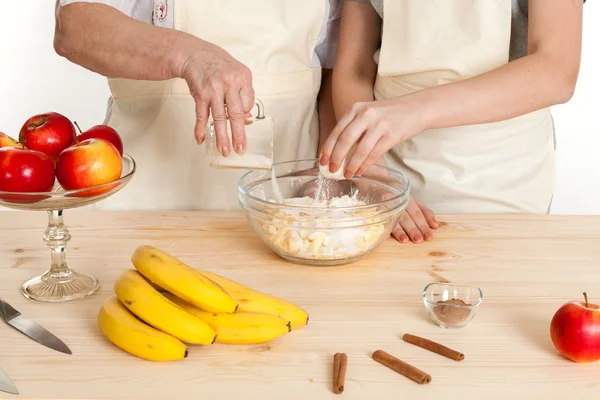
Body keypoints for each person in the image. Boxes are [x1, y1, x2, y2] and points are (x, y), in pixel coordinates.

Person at [320, 0, 584, 243]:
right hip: (391, 161)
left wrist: (415, 111)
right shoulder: (383, 177)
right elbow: (355, 70)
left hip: (503, 172)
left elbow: (556, 72)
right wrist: (377, 178)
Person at [53, 0, 342, 211]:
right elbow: (74, 26)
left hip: (287, 201)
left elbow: (333, 71)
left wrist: (329, 176)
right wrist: (188, 55)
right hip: (147, 200)